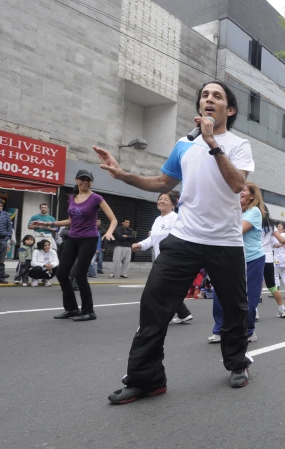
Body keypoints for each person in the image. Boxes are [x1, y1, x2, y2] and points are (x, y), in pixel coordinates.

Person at [94, 80, 256, 401]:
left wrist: (212, 141)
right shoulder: (184, 144)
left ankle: (237, 362)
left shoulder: (238, 145)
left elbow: (237, 184)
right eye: (204, 96)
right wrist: (123, 174)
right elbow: (162, 182)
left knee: (235, 309)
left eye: (217, 96)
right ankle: (147, 378)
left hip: (225, 241)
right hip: (184, 237)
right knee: (154, 306)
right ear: (199, 106)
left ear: (230, 109)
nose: (209, 100)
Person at [37, 170, 117, 321]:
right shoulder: (73, 198)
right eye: (82, 179)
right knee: (61, 273)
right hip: (73, 238)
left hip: (89, 239)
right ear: (76, 180)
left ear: (91, 182)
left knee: (80, 275)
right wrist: (47, 223)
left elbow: (113, 219)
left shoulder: (96, 198)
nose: (85, 182)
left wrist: (109, 232)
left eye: (88, 180)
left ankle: (89, 311)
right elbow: (71, 221)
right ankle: (72, 309)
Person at [209, 182, 268, 344]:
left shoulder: (254, 212)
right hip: (229, 259)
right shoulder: (232, 210)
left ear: (251, 196)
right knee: (219, 294)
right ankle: (220, 330)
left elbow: (236, 231)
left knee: (247, 298)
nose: (239, 193)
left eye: (243, 191)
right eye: (238, 190)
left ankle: (248, 331)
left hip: (252, 259)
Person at [132, 191, 193, 325]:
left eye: (166, 199)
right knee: (167, 289)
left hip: (173, 259)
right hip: (160, 259)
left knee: (157, 288)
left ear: (173, 203)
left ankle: (162, 316)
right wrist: (140, 245)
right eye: (160, 199)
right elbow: (152, 239)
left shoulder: (176, 218)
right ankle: (183, 313)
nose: (162, 201)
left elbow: (181, 238)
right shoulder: (157, 220)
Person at [258, 195, 285, 319]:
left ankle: (254, 311)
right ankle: (282, 309)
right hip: (267, 258)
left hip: (254, 256)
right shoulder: (271, 225)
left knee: (253, 285)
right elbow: (281, 239)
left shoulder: (251, 222)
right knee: (272, 286)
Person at [273, 221, 285, 298]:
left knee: (276, 275)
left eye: (279, 226)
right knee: (284, 275)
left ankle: (276, 292)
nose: (277, 228)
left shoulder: (281, 235)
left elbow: (275, 243)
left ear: (284, 229)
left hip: (278, 258)